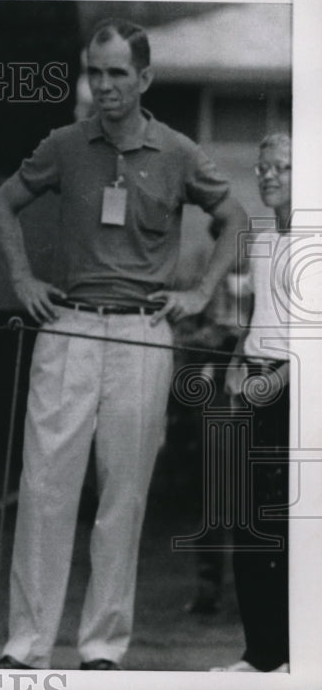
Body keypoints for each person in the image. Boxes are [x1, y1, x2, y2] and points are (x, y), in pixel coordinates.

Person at [0, 18, 248, 671]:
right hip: (69, 326)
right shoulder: (65, 145)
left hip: (140, 334)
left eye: (116, 74)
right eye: (94, 72)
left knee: (123, 496)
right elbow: (2, 203)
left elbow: (234, 218)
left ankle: (102, 648)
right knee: (46, 489)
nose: (103, 86)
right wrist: (21, 277)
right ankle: (26, 646)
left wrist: (199, 293)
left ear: (144, 78)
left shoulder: (180, 151)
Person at [213, 133, 293, 673]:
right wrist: (238, 360)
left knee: (290, 528)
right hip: (257, 389)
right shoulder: (265, 242)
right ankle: (259, 653)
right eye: (262, 167)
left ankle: (295, 655)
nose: (267, 176)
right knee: (245, 522)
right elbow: (260, 320)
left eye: (280, 167)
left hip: (297, 400)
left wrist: (281, 380)